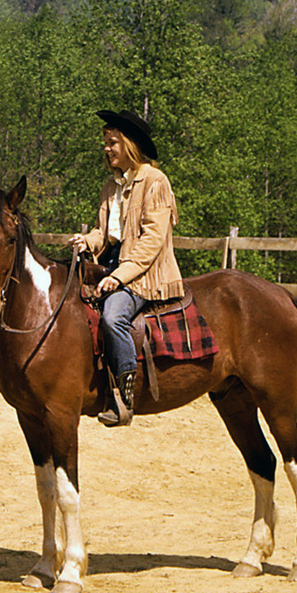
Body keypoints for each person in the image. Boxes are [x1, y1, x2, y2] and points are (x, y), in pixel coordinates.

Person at [68, 109, 185, 427]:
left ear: (130, 144)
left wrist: (119, 278)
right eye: (105, 142)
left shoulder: (155, 181)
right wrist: (87, 241)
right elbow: (105, 233)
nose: (106, 148)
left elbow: (152, 241)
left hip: (146, 274)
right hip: (111, 265)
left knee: (113, 315)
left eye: (112, 142)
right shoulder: (112, 185)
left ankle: (124, 396)